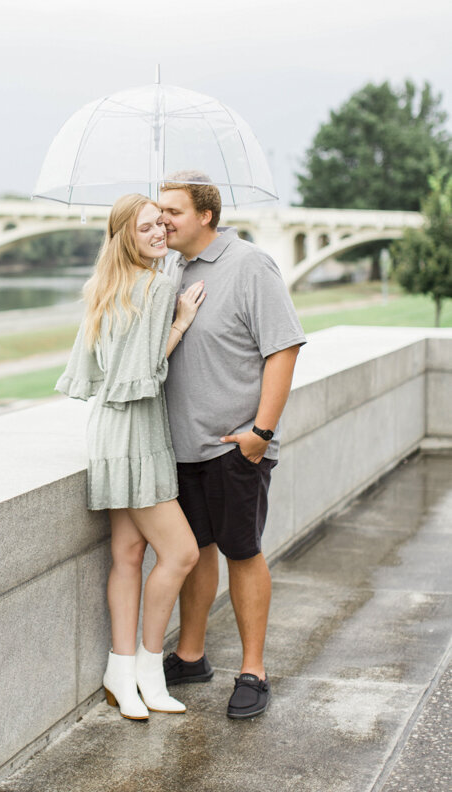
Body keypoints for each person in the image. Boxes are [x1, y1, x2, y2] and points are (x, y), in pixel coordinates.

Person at [158, 172, 306, 720]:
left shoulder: (250, 265)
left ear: (206, 216)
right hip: (180, 445)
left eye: (172, 211)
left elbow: (284, 349)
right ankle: (191, 656)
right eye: (159, 211)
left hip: (232, 445)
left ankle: (253, 670)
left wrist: (260, 433)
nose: (162, 220)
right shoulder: (171, 268)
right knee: (196, 550)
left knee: (242, 551)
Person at [56, 193, 206, 721]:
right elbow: (141, 376)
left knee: (127, 555)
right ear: (126, 236)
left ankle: (119, 672)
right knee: (181, 554)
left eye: (161, 224)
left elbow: (96, 370)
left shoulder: (105, 287)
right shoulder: (160, 285)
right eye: (146, 228)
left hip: (107, 431)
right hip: (137, 433)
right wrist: (180, 324)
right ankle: (148, 670)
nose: (159, 234)